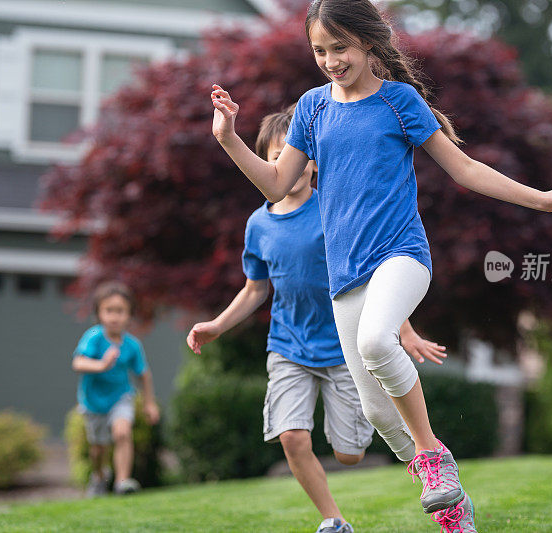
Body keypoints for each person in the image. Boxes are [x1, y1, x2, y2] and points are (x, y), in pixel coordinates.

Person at [208, 0, 552, 529]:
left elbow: (465, 168)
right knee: (377, 412)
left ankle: (433, 458)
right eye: (320, 50)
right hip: (345, 276)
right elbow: (275, 184)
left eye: (339, 48)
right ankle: (453, 508)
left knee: (375, 341)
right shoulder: (313, 109)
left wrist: (541, 199)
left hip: (401, 255)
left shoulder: (398, 102)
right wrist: (228, 138)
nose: (330, 60)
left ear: (368, 42)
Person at [188, 107, 447, 533]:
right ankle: (333, 519)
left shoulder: (333, 211)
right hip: (288, 345)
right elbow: (256, 288)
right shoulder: (258, 225)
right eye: (276, 157)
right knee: (291, 436)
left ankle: (420, 451)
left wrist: (405, 331)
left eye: (302, 154)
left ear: (313, 160)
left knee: (350, 455)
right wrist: (216, 325)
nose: (290, 164)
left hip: (342, 348)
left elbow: (368, 280)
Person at [72, 281, 161, 497]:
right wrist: (101, 365)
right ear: (99, 313)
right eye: (109, 310)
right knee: (98, 449)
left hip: (121, 397)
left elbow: (143, 374)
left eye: (120, 311)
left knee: (122, 433)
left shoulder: (132, 345)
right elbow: (78, 363)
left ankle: (122, 482)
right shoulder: (94, 337)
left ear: (129, 315)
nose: (114, 316)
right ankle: (99, 476)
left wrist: (149, 403)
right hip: (93, 401)